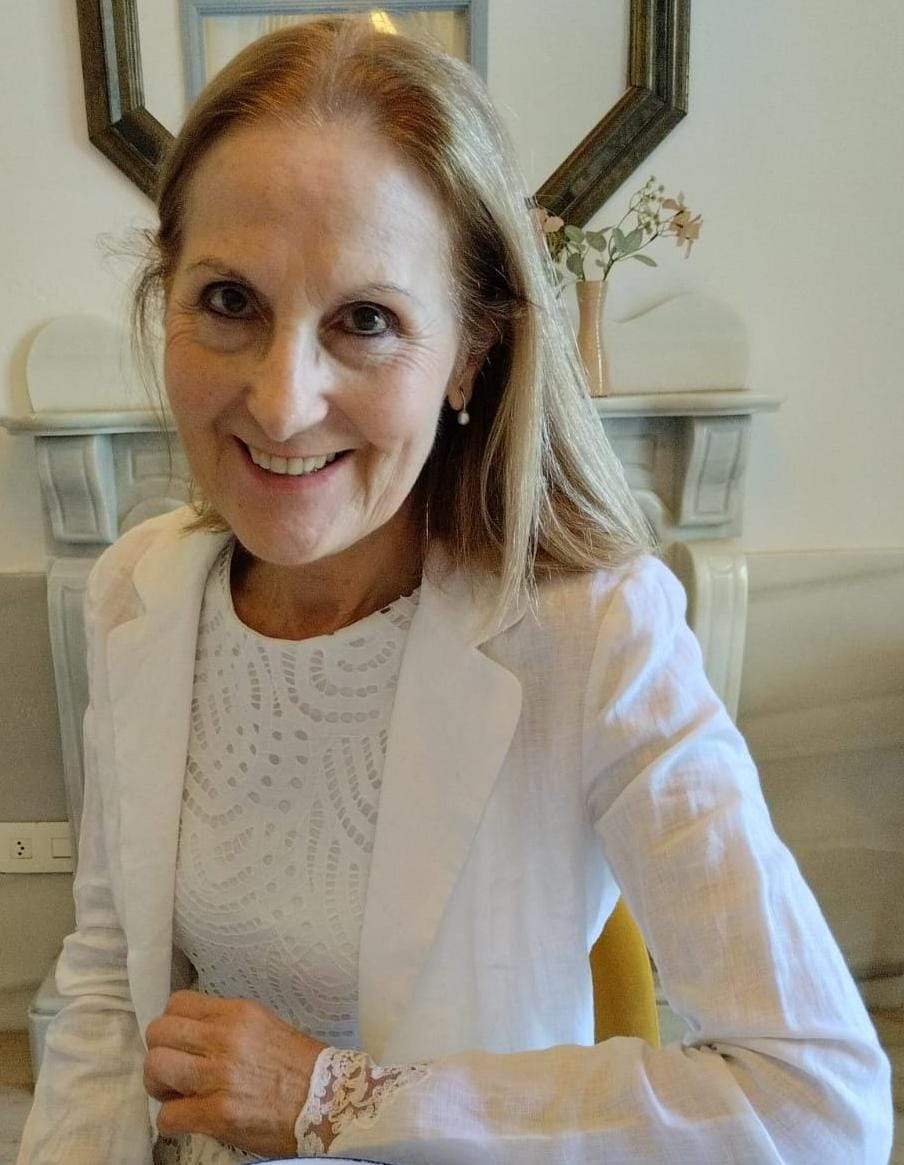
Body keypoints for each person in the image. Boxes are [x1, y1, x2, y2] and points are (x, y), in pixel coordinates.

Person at [17, 16, 893, 1165]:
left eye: (366, 320)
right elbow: (102, 983)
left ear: (471, 353)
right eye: (230, 300)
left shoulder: (591, 629)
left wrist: (333, 1099)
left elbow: (818, 1100)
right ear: (164, 293)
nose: (281, 401)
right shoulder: (139, 589)